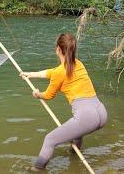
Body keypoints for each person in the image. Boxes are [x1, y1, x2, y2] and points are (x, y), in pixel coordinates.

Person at [20, 33, 108, 171]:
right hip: (101, 112)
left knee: (50, 140)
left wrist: (37, 94)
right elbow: (54, 72)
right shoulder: (78, 63)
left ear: (58, 49)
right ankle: (73, 156)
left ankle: (37, 169)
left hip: (87, 117)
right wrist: (31, 74)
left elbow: (48, 95)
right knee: (77, 133)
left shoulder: (59, 72)